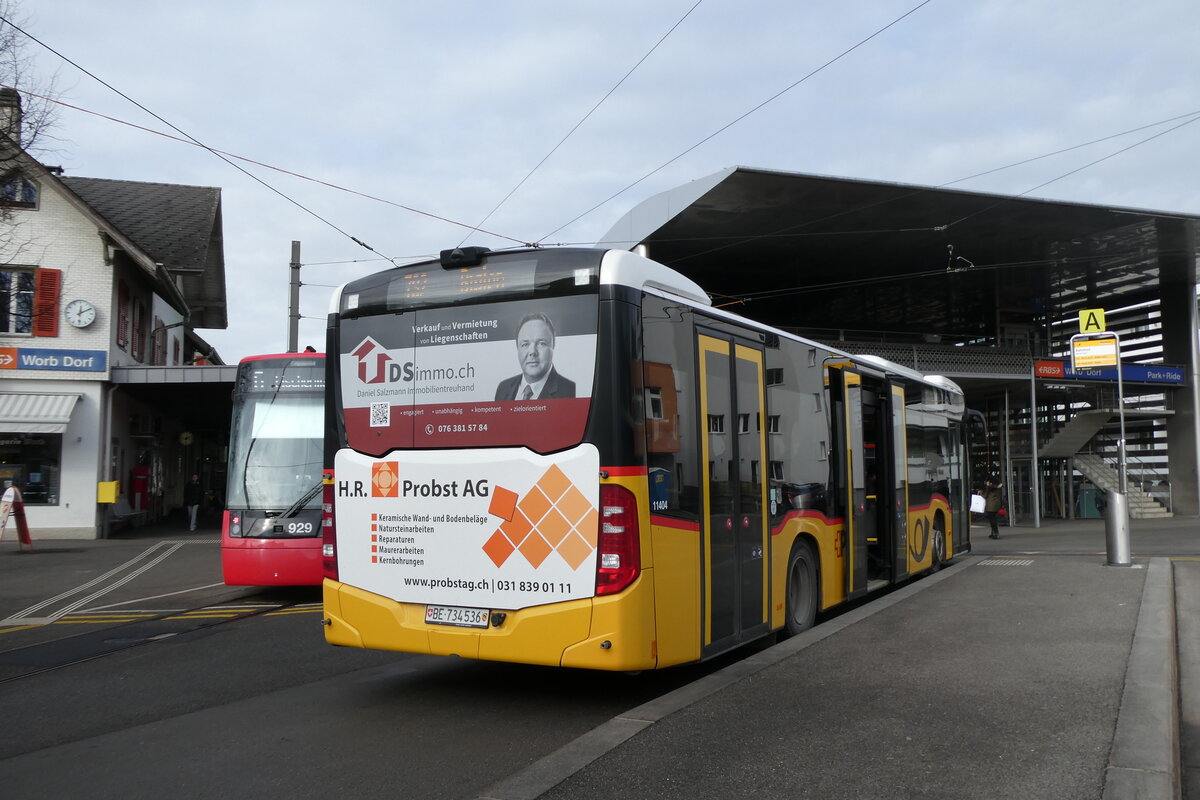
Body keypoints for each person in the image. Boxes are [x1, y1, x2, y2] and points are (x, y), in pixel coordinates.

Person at [494, 312, 576, 401]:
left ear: (553, 345)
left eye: (541, 343)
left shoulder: (571, 391)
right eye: (525, 344)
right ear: (517, 348)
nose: (532, 352)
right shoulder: (503, 388)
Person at [984, 474, 1004, 539]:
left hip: (991, 506)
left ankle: (995, 533)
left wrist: (981, 493)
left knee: (992, 520)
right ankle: (994, 532)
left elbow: (985, 496)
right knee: (993, 519)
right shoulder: (997, 487)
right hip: (996, 505)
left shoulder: (990, 487)